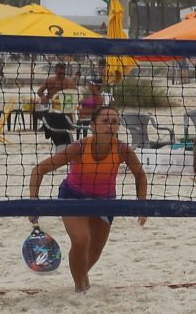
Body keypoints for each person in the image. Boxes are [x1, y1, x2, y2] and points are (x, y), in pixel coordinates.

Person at [27, 103, 148, 294]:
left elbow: (140, 175)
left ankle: (83, 280)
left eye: (115, 122)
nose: (110, 125)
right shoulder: (79, 148)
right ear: (92, 125)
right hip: (74, 197)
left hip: (105, 201)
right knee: (81, 241)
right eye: (105, 121)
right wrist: (33, 203)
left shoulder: (123, 149)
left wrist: (142, 205)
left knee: (94, 251)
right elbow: (39, 170)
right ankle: (79, 290)